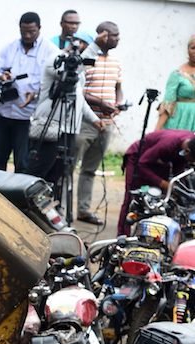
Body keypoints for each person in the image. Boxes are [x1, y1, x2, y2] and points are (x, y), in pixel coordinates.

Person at [28, 32, 102, 196]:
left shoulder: (79, 72)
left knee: (59, 174)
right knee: (40, 172)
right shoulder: (56, 60)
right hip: (51, 127)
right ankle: (27, 206)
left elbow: (79, 99)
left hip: (69, 130)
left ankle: (51, 209)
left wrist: (94, 119)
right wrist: (95, 45)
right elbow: (70, 69)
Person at [0, 12, 54, 173]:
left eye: (32, 32)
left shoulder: (50, 51)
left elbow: (52, 83)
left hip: (27, 117)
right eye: (24, 32)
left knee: (23, 163)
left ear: (39, 29)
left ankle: (17, 199)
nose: (28, 35)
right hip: (4, 112)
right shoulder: (10, 47)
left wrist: (36, 93)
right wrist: (1, 77)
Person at [75, 21, 123, 226]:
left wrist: (118, 103)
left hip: (106, 123)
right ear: (102, 36)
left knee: (89, 169)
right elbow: (79, 91)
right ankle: (60, 208)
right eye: (113, 35)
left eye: (118, 36)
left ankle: (83, 210)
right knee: (68, 166)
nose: (117, 39)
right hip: (86, 121)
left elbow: (118, 87)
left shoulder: (116, 63)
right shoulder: (87, 59)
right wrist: (100, 104)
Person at [117, 130, 195, 234]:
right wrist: (162, 183)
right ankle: (122, 235)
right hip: (138, 158)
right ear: (187, 151)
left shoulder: (190, 141)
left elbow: (179, 165)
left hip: (158, 162)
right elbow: (142, 164)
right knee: (133, 198)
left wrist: (176, 185)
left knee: (159, 203)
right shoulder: (167, 145)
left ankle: (150, 233)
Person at [155, 35, 195, 132]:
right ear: (187, 50)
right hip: (180, 119)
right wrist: (156, 131)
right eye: (193, 48)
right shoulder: (177, 75)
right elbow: (168, 103)